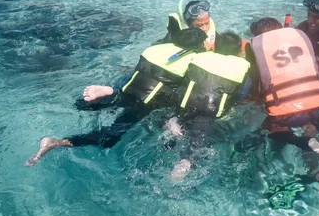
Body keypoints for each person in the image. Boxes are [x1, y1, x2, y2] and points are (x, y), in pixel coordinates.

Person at [26, 28, 208, 166]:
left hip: (128, 89)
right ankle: (56, 143)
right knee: (110, 137)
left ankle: (102, 97)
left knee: (113, 101)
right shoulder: (194, 60)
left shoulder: (159, 48)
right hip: (147, 102)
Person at [235, 17, 319, 181]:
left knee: (274, 132)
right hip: (315, 99)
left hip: (287, 107)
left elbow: (252, 84)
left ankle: (300, 142)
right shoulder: (298, 40)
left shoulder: (257, 50)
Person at [83, 0, 217, 104]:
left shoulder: (208, 32)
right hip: (164, 71)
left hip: (153, 66)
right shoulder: (180, 34)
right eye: (199, 25)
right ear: (187, 23)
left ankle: (111, 91)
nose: (205, 28)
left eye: (206, 23)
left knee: (135, 80)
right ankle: (112, 90)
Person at [167, 31, 251, 180]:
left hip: (186, 102)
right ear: (239, 52)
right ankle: (185, 162)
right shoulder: (242, 67)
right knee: (199, 134)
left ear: (215, 47)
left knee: (178, 119)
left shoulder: (200, 57)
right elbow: (242, 94)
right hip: (210, 109)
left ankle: (173, 124)